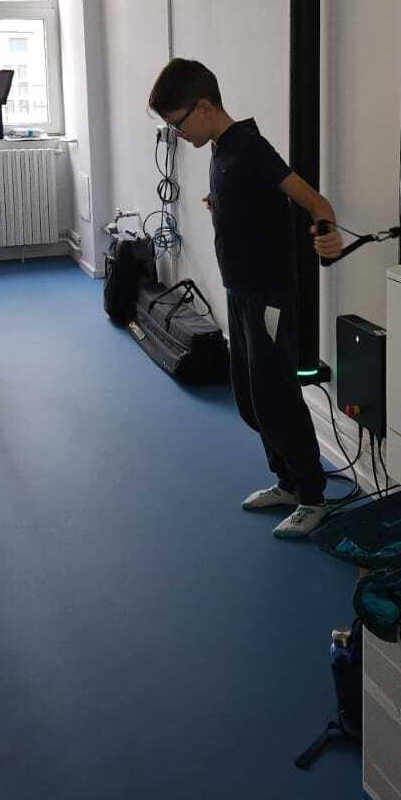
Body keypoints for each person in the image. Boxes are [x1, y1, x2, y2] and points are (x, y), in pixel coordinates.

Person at [148, 58, 343, 539]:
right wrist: (221, 204)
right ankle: (288, 482)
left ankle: (313, 496)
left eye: (177, 124)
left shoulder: (251, 147)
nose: (177, 135)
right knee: (249, 400)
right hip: (239, 292)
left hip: (268, 295)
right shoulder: (220, 148)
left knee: (276, 398)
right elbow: (253, 201)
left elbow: (315, 202)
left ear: (205, 107)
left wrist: (327, 233)